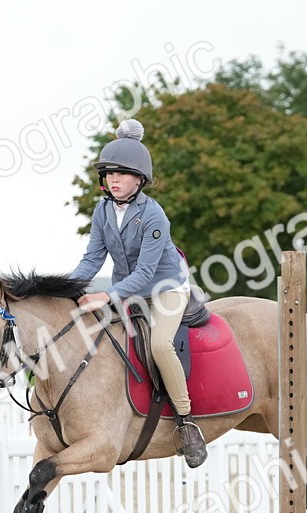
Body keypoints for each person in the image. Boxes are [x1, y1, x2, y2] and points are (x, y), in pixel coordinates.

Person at [68, 119, 207, 468]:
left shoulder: (155, 215)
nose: (114, 179)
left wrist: (106, 296)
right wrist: (64, 289)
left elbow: (146, 273)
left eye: (123, 173)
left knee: (160, 345)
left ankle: (187, 422)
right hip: (125, 290)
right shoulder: (102, 210)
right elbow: (92, 259)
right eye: (109, 173)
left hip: (165, 288)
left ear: (139, 179)